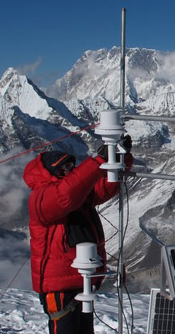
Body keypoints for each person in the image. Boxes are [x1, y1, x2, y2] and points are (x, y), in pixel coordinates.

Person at [24, 136, 132, 334]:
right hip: (60, 288)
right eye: (66, 168)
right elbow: (66, 194)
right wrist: (97, 162)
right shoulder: (42, 197)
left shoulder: (74, 196)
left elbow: (101, 188)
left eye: (72, 167)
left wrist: (119, 160)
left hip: (81, 280)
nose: (71, 171)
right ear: (53, 172)